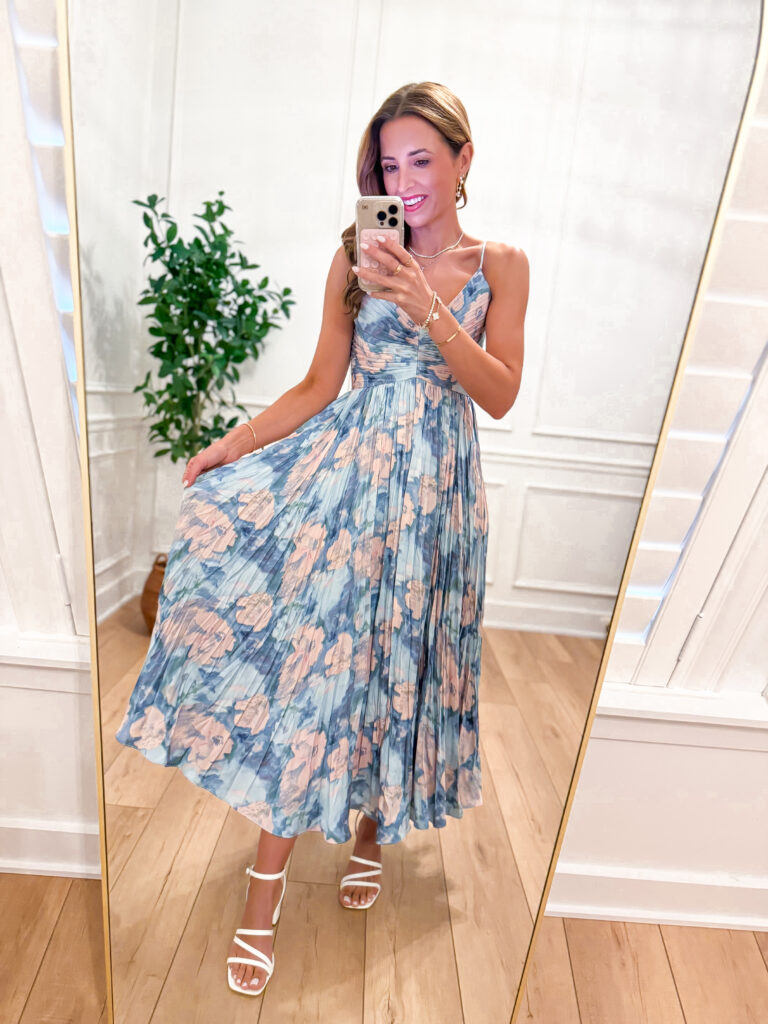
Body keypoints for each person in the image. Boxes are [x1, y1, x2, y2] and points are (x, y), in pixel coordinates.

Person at [114, 80, 528, 997]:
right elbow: (316, 386)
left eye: (422, 160)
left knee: (400, 661)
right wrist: (229, 446)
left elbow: (499, 394)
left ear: (464, 159)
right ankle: (263, 896)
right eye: (389, 164)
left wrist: (425, 305)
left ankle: (372, 831)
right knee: (319, 671)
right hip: (350, 483)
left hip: (439, 498)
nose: (404, 181)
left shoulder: (501, 264)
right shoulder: (355, 255)